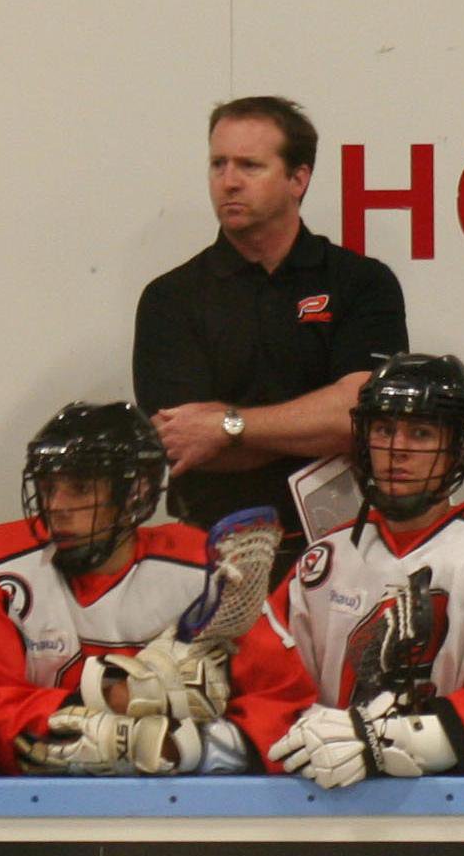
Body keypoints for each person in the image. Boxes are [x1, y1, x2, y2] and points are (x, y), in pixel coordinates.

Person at [0, 402, 315, 776]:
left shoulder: (203, 568)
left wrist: (192, 747)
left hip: (178, 811)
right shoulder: (1, 561)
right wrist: (111, 697)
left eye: (79, 488)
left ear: (136, 491)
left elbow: (287, 701)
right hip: (34, 805)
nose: (56, 506)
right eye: (48, 487)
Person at [263, 354, 464, 787]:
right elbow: (271, 691)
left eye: (422, 432)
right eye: (384, 430)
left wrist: (387, 742)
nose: (398, 450)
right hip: (329, 807)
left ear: (461, 447)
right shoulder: (324, 558)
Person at [133, 96, 408, 547]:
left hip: (346, 546)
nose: (228, 182)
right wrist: (316, 429)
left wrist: (227, 427)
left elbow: (359, 418)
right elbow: (184, 446)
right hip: (211, 548)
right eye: (218, 164)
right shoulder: (170, 298)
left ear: (298, 178)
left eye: (249, 166)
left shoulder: (363, 283)